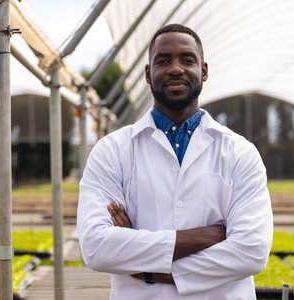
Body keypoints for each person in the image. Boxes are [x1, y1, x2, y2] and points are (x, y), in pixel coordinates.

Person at [77, 24, 273, 299]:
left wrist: (148, 268)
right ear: (148, 74)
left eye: (187, 60)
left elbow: (252, 251)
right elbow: (96, 247)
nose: (176, 69)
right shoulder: (111, 151)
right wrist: (205, 237)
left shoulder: (240, 152)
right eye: (163, 60)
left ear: (203, 71)